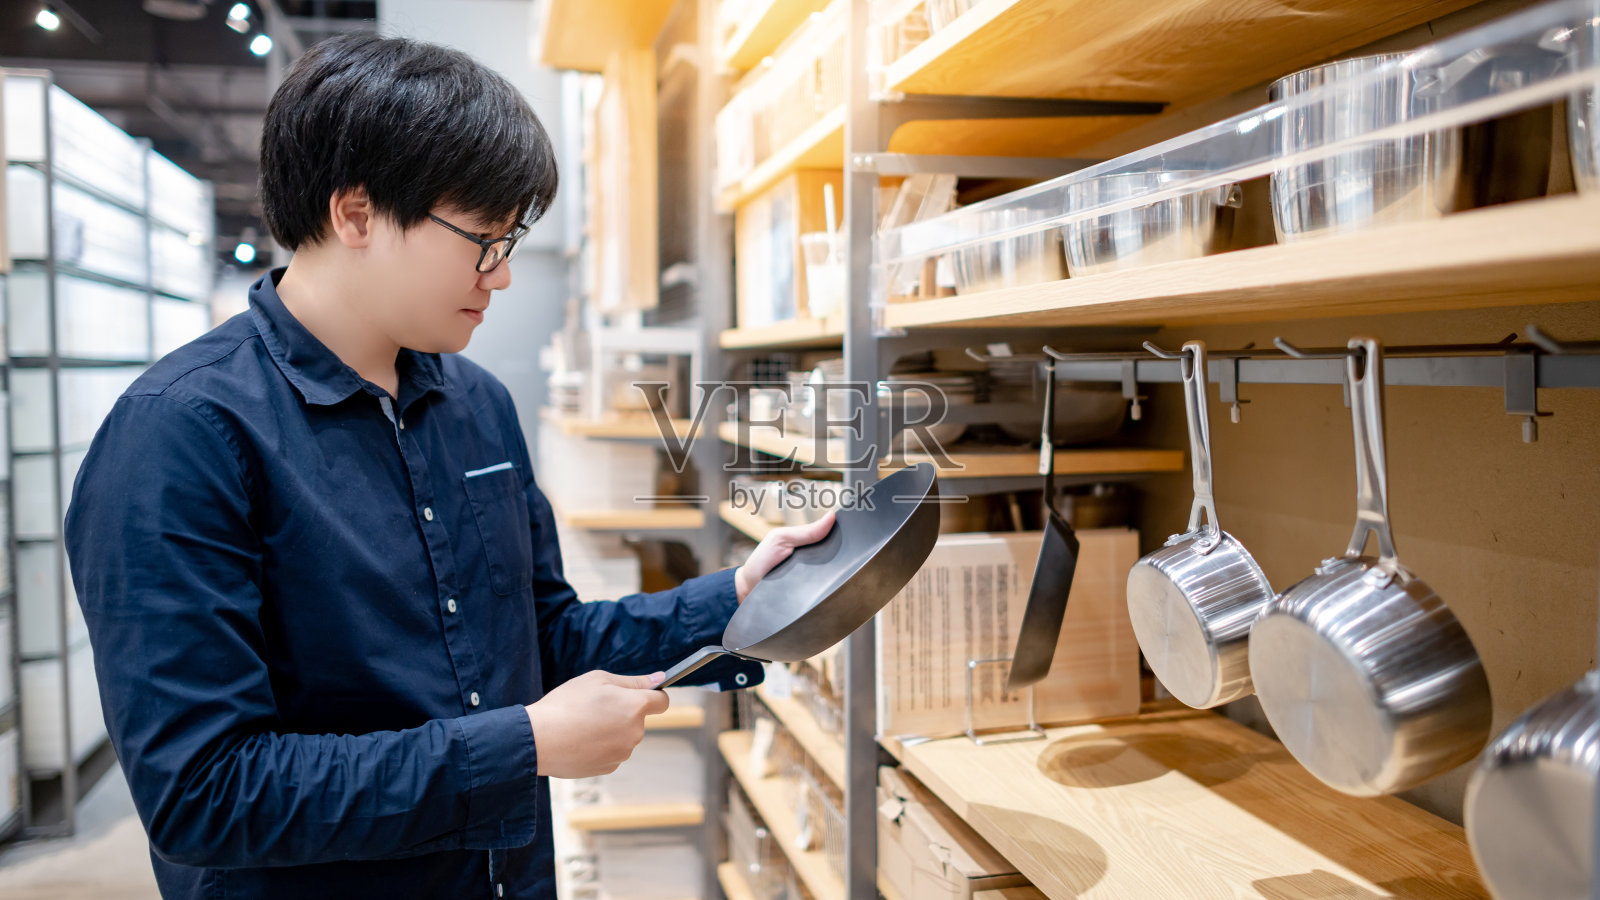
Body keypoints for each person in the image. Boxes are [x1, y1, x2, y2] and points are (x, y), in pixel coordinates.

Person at [63, 32, 833, 900]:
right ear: (354, 214)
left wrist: (734, 597)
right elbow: (205, 794)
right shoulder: (180, 436)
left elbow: (538, 640)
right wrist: (528, 745)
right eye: (483, 240)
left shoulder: (474, 404)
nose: (499, 276)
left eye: (510, 241)